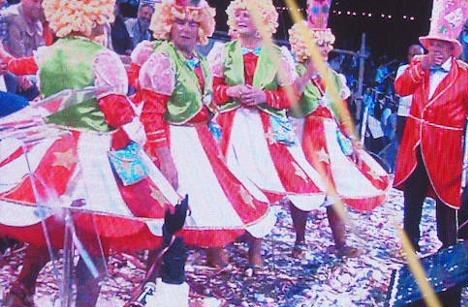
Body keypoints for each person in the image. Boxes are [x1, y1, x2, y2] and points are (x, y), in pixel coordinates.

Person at [0, 0, 177, 307]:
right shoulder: (103, 57)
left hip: (52, 148)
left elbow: (18, 66)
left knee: (52, 225)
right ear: (97, 16)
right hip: (94, 151)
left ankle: (22, 288)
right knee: (97, 233)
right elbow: (113, 110)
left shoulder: (49, 52)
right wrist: (137, 118)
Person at [132, 0, 276, 257]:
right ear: (167, 24)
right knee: (167, 208)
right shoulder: (162, 60)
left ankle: (195, 260)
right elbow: (151, 115)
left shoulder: (200, 60)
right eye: (179, 22)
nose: (186, 29)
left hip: (199, 139)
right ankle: (154, 274)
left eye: (193, 23)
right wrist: (165, 159)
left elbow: (207, 100)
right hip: (171, 139)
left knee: (206, 202)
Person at [208, 0, 327, 268]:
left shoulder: (277, 55)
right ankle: (218, 245)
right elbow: (209, 91)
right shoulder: (223, 52)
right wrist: (230, 92)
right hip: (229, 127)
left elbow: (291, 97)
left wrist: (264, 96)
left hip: (263, 131)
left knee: (261, 182)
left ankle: (255, 249)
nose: (240, 18)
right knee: (226, 182)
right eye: (237, 14)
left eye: (247, 14)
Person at [394, 0, 468, 254]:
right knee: (412, 200)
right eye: (434, 44)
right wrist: (421, 66)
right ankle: (410, 247)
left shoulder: (466, 75)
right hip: (415, 146)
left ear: (453, 48)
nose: (437, 49)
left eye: (443, 45)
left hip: (445, 151)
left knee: (447, 202)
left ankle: (448, 249)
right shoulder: (418, 65)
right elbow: (400, 88)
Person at [288, 13, 390, 257]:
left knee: (336, 189)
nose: (323, 49)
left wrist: (354, 143)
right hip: (302, 134)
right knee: (303, 187)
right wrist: (306, 75)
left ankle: (340, 242)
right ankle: (300, 241)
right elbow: (290, 102)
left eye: (325, 44)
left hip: (330, 139)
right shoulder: (293, 70)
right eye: (316, 44)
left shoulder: (335, 77)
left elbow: (343, 114)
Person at [0, 0, 47, 98]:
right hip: (13, 72)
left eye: (41, 2)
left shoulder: (37, 20)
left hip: (24, 69)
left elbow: (41, 57)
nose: (39, 6)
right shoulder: (12, 17)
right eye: (35, 1)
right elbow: (15, 59)